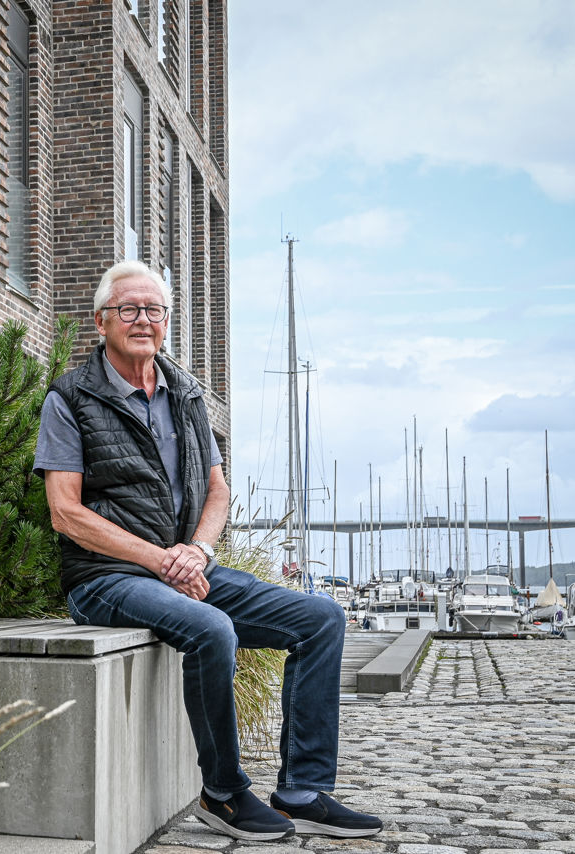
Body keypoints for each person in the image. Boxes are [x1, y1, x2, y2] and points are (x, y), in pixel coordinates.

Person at [33, 260, 382, 842]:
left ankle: (303, 789)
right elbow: (66, 513)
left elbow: (217, 489)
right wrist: (161, 560)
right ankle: (222, 792)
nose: (142, 319)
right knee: (212, 628)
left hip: (183, 566)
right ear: (101, 321)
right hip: (105, 579)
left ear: (167, 322)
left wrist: (195, 551)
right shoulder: (69, 398)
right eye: (128, 309)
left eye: (154, 310)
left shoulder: (185, 392)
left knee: (320, 618)